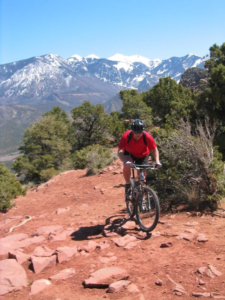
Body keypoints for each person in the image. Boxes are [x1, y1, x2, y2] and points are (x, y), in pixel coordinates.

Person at [118, 118, 161, 199]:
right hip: (129, 154)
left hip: (142, 155)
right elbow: (120, 151)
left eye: (140, 132)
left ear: (143, 130)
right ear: (132, 131)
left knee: (142, 177)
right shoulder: (126, 136)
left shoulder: (147, 136)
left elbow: (154, 149)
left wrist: (157, 161)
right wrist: (124, 161)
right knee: (127, 165)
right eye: (135, 132)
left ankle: (141, 198)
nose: (138, 134)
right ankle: (127, 184)